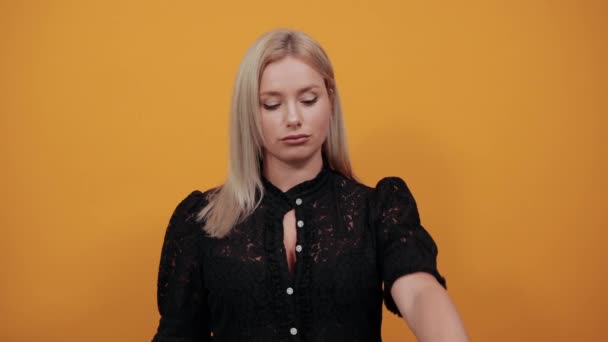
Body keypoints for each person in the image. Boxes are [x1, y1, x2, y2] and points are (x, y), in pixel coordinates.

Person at [152, 28, 469, 342]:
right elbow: (177, 335)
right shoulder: (201, 220)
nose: (293, 118)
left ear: (330, 100)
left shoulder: (377, 209)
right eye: (272, 105)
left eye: (308, 99)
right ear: (248, 112)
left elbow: (418, 293)